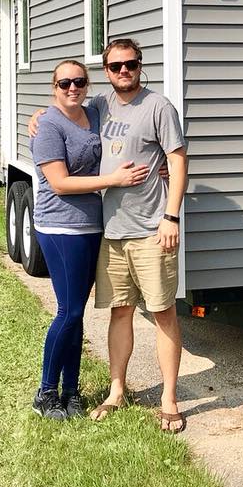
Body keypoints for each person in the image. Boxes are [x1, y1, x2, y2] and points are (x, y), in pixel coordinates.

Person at [29, 60, 149, 421]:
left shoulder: (93, 112)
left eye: (79, 81)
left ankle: (71, 392)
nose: (72, 88)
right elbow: (60, 183)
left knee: (76, 313)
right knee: (69, 310)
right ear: (54, 87)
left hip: (91, 226)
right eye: (64, 83)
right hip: (60, 227)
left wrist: (159, 165)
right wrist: (113, 181)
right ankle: (46, 392)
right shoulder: (49, 125)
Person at [88, 39, 189, 434]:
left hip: (152, 230)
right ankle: (117, 390)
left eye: (130, 64)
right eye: (115, 66)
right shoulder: (99, 105)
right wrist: (40, 115)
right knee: (120, 311)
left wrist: (171, 216)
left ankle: (169, 398)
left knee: (163, 313)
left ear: (140, 66)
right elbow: (67, 110)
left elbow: (178, 160)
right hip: (112, 232)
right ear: (107, 70)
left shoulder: (158, 107)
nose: (123, 71)